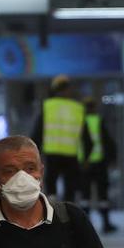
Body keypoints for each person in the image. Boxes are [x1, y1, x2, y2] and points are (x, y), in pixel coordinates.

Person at [31, 74, 91, 203]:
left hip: (52, 154)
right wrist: (86, 158)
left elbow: (37, 132)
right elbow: (87, 138)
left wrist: (34, 155)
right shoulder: (78, 109)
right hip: (71, 155)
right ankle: (68, 215)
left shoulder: (47, 106)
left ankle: (52, 216)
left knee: (51, 188)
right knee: (70, 189)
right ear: (68, 89)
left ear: (54, 89)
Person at [80, 96, 118, 234]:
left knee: (85, 196)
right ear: (94, 108)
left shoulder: (80, 122)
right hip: (100, 163)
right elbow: (107, 141)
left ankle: (84, 226)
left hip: (84, 164)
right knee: (103, 195)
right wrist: (112, 159)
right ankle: (106, 224)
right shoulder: (99, 121)